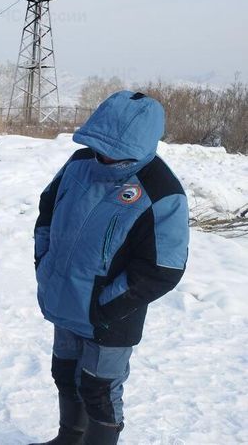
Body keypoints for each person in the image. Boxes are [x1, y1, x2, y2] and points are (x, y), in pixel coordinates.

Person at [32, 91, 189, 445]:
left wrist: (105, 304)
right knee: (64, 374)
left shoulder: (162, 192)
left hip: (109, 318)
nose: (102, 155)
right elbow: (46, 212)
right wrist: (44, 264)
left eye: (113, 149)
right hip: (65, 300)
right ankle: (68, 438)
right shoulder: (79, 163)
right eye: (99, 144)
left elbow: (163, 268)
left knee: (98, 390)